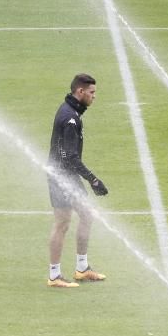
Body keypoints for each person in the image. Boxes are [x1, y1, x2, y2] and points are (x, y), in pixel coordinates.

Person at [46, 73, 108, 288]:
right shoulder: (70, 119)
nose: (94, 97)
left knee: (86, 215)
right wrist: (93, 180)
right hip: (60, 176)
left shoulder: (71, 111)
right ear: (80, 92)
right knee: (62, 223)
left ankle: (82, 268)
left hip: (66, 174)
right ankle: (54, 275)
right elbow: (71, 157)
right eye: (92, 93)